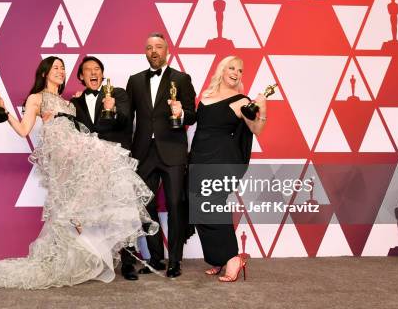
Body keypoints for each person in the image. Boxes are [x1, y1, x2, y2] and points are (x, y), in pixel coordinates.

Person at [0, 56, 158, 290]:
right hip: (60, 155)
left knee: (95, 182)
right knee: (74, 195)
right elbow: (24, 129)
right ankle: (70, 241)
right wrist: (4, 111)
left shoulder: (69, 102)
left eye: (63, 68)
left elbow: (82, 128)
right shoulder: (36, 98)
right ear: (45, 73)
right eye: (56, 68)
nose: (60, 71)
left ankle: (76, 247)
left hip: (76, 153)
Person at [189, 56, 266, 282]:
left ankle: (233, 258)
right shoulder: (206, 95)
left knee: (213, 205)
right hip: (199, 156)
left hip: (222, 160)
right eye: (232, 68)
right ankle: (218, 258)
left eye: (240, 70)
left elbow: (256, 129)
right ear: (222, 70)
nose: (236, 72)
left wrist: (263, 110)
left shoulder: (242, 101)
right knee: (198, 205)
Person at [126, 32, 197, 278]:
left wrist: (182, 113)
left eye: (158, 47)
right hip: (144, 151)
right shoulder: (134, 81)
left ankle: (175, 261)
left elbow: (192, 114)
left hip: (173, 151)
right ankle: (155, 258)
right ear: (145, 52)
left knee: (176, 205)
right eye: (149, 47)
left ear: (167, 51)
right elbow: (127, 116)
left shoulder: (182, 78)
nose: (153, 51)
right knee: (145, 205)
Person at [70, 56, 137, 280]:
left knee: (122, 211)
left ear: (102, 73)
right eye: (87, 70)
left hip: (115, 160)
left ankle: (128, 263)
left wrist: (113, 109)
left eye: (97, 69)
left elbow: (125, 119)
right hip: (90, 164)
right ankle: (98, 261)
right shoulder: (74, 102)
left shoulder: (117, 93)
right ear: (81, 77)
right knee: (94, 212)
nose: (93, 72)